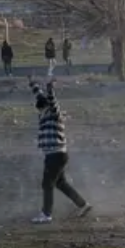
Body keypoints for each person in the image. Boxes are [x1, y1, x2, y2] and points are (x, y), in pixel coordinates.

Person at [28, 77, 92, 224]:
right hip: (55, 155)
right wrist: (33, 84)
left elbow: (51, 100)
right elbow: (39, 96)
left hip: (56, 154)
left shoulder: (54, 114)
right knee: (60, 183)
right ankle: (83, 204)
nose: (40, 111)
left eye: (42, 108)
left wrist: (50, 88)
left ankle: (46, 214)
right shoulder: (44, 115)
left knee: (47, 184)